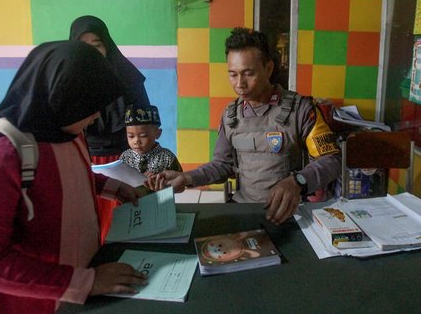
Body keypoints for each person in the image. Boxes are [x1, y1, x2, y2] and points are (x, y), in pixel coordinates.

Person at [0, 41, 147, 314]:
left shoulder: (68, 133)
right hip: (17, 303)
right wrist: (87, 281)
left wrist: (112, 187)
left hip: (70, 295)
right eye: (89, 106)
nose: (96, 115)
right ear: (61, 97)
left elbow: (64, 182)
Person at [147, 28, 341, 225]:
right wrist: (186, 178)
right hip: (245, 210)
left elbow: (331, 160)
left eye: (248, 74)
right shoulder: (231, 115)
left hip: (291, 214)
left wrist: (298, 182)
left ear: (268, 68)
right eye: (232, 74)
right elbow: (222, 165)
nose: (239, 84)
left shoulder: (300, 109)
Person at [69, 15, 151, 240]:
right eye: (84, 47)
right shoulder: (68, 81)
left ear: (107, 46)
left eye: (97, 45)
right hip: (87, 161)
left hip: (127, 157)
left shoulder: (128, 76)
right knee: (91, 223)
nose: (92, 53)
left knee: (127, 220)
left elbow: (147, 121)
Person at [120, 104, 182, 175]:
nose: (136, 141)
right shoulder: (125, 157)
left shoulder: (167, 157)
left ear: (158, 133)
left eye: (143, 136)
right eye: (131, 136)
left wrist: (159, 180)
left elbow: (180, 181)